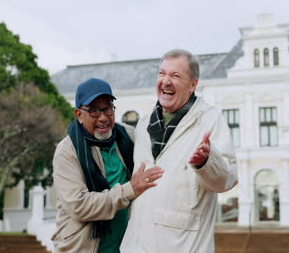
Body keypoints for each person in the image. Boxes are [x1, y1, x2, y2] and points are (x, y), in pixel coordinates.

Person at [120, 49, 238, 252]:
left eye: (175, 76)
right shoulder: (143, 124)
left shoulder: (209, 119)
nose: (166, 81)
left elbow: (227, 180)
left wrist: (207, 161)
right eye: (161, 73)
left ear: (193, 84)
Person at [52, 78, 164, 253]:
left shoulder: (128, 136)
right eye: (94, 111)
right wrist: (130, 189)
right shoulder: (67, 151)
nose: (103, 118)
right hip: (80, 249)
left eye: (108, 109)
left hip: (126, 247)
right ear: (79, 115)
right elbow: (79, 206)